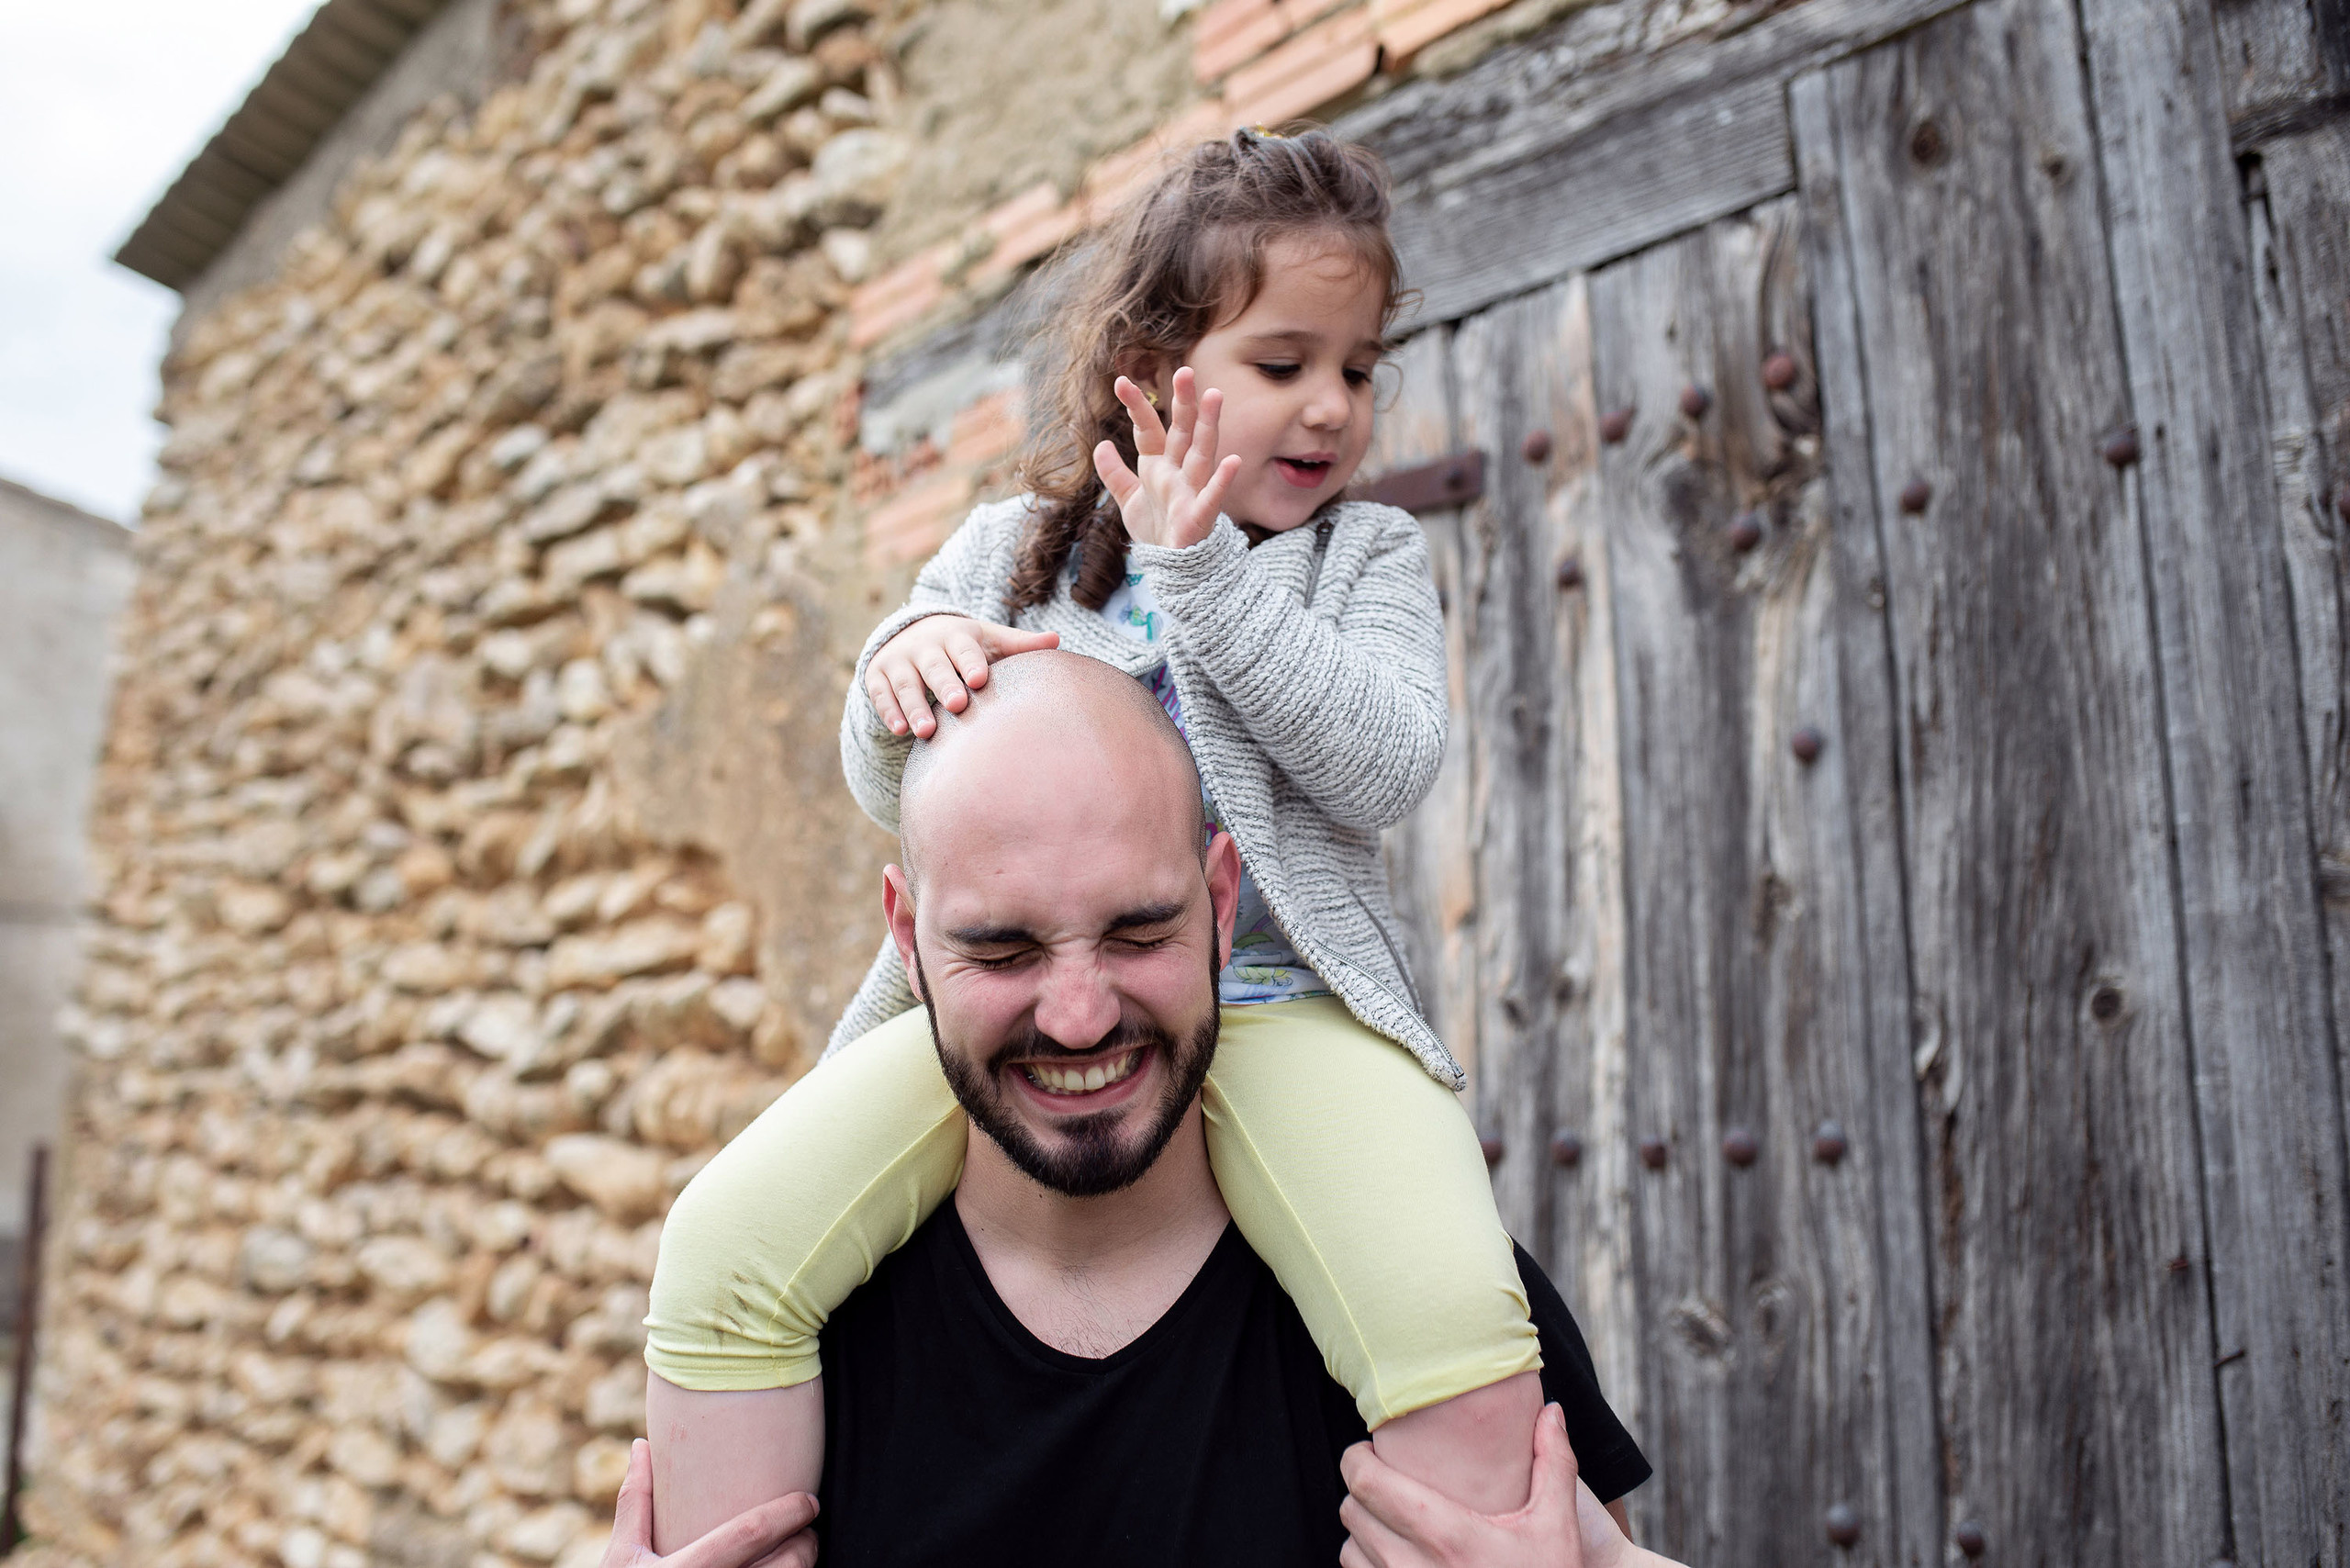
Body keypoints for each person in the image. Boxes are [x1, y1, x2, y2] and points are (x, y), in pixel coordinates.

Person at [643, 127, 1554, 1549]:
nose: (1329, 408)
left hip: (1283, 1007)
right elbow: (890, 777)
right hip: (1024, 1013)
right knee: (725, 1245)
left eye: (1357, 369)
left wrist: (1208, 584)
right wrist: (909, 656)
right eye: (1282, 364)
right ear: (1156, 371)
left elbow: (1382, 764)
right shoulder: (1021, 548)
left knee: (1443, 1287)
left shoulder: (1362, 557)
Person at [636, 654, 1655, 1565]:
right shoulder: (807, 1322)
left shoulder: (1421, 1270)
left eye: (1137, 934)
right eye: (1002, 950)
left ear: (1220, 906)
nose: (1079, 1019)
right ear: (906, 936)